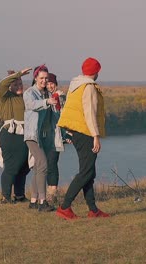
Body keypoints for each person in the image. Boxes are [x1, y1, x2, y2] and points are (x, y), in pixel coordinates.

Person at [56, 57, 110, 219]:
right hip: (85, 132)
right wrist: (95, 136)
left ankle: (93, 210)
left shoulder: (76, 85)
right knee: (86, 172)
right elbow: (89, 113)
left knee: (89, 172)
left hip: (77, 131)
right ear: (96, 72)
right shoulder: (89, 88)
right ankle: (65, 207)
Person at [23, 65, 59, 212]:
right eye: (42, 78)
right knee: (43, 164)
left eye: (46, 78)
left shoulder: (46, 94)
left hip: (43, 136)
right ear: (35, 78)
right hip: (32, 136)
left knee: (38, 166)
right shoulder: (29, 93)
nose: (44, 81)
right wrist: (47, 102)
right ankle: (42, 202)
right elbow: (31, 105)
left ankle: (33, 200)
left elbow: (53, 116)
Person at [0, 67, 32, 204]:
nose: (19, 86)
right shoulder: (6, 97)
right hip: (11, 135)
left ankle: (19, 195)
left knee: (24, 166)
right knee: (12, 166)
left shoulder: (25, 97)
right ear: (10, 86)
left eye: (20, 83)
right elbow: (2, 84)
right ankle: (5, 197)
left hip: (24, 134)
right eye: (15, 84)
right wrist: (19, 74)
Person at [43, 73, 70, 205]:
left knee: (52, 163)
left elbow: (64, 115)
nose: (49, 85)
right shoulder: (42, 97)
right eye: (47, 83)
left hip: (56, 135)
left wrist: (66, 133)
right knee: (45, 165)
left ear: (55, 83)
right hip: (43, 136)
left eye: (51, 83)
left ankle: (51, 194)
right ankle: (44, 195)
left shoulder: (60, 96)